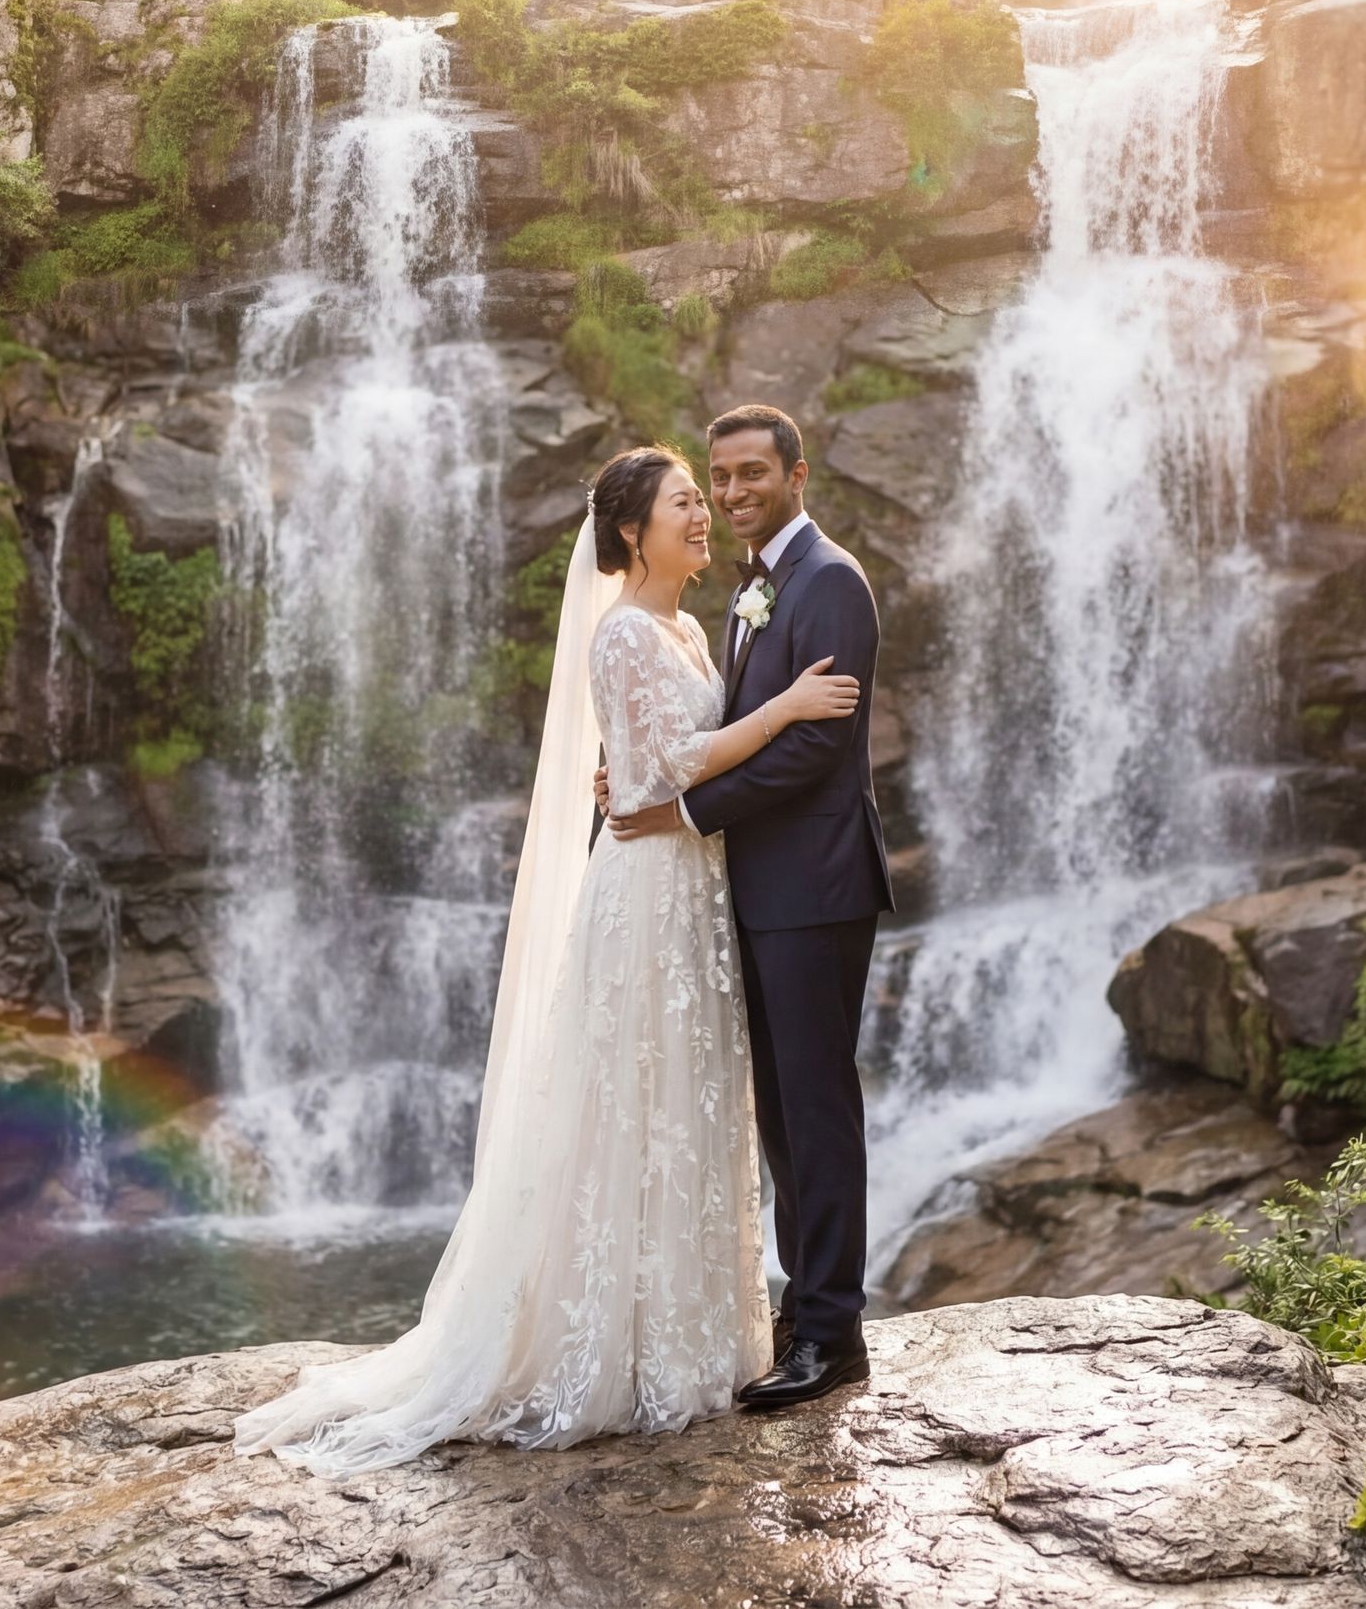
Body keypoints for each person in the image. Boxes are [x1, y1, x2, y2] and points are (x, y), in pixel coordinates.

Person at [233, 443, 863, 1471]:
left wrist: (655, 781)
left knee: (689, 1100)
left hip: (697, 886)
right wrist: (784, 708)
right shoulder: (621, 633)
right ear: (630, 530)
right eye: (684, 501)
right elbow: (674, 761)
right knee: (629, 1103)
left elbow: (650, 770)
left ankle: (695, 1335)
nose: (704, 514)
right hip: (650, 891)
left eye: (708, 498)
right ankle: (608, 1342)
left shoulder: (697, 627)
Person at [604, 403, 896, 1412]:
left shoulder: (829, 582)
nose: (731, 493)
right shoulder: (752, 591)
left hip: (816, 887)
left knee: (815, 1109)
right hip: (760, 890)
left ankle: (834, 1334)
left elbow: (817, 747)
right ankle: (804, 1313)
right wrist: (641, 774)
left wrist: (683, 809)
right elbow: (730, 726)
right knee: (780, 1113)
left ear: (797, 474)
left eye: (750, 475)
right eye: (718, 477)